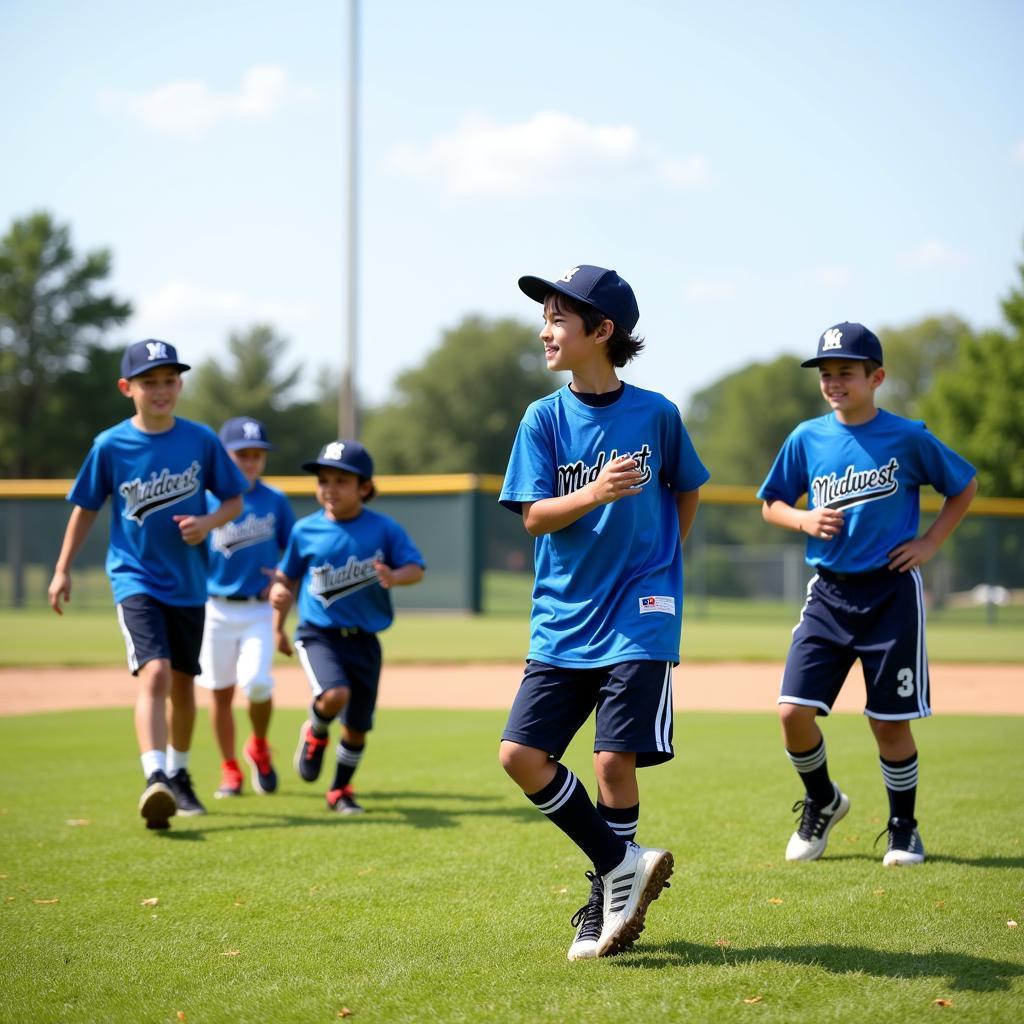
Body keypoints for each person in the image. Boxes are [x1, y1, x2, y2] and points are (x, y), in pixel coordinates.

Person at [497, 264, 709, 961]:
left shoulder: (656, 414)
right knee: (520, 756)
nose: (545, 329)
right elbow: (533, 517)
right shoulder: (543, 419)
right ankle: (621, 864)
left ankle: (607, 898)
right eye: (548, 317)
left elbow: (686, 490)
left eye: (559, 317)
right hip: (562, 616)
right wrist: (594, 494)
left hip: (640, 611)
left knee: (614, 760)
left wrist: (662, 558)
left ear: (602, 330)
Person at [758, 322, 977, 867]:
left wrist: (930, 541)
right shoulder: (806, 437)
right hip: (828, 594)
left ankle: (904, 829)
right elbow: (772, 502)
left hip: (891, 596)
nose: (834, 382)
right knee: (792, 713)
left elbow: (962, 484)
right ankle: (823, 799)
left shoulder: (907, 437)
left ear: (876, 377)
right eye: (827, 374)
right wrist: (803, 518)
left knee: (888, 722)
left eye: (847, 373)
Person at [47, 339, 246, 830]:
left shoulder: (200, 440)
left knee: (183, 684)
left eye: (169, 380)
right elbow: (86, 507)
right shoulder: (110, 445)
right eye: (149, 382)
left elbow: (235, 502)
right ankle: (154, 774)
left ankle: (178, 774)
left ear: (180, 385)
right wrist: (62, 567)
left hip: (189, 582)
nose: (161, 390)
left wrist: (209, 521)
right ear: (126, 388)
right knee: (154, 672)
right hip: (135, 576)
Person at [269, 440, 425, 815]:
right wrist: (277, 617)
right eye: (323, 480)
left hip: (365, 640)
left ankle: (339, 790)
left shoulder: (383, 529)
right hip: (318, 634)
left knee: (356, 727)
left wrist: (394, 576)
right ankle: (316, 730)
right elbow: (286, 577)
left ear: (364, 488)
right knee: (334, 695)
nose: (330, 488)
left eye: (341, 480)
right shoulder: (306, 530)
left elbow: (416, 568)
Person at [197, 417, 296, 799]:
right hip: (215, 607)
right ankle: (230, 770)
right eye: (242, 454)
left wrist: (282, 580)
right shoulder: (207, 499)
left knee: (256, 683)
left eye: (257, 455)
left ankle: (258, 745)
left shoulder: (275, 500)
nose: (250, 461)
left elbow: (294, 554)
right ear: (225, 456)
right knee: (220, 691)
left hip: (258, 609)